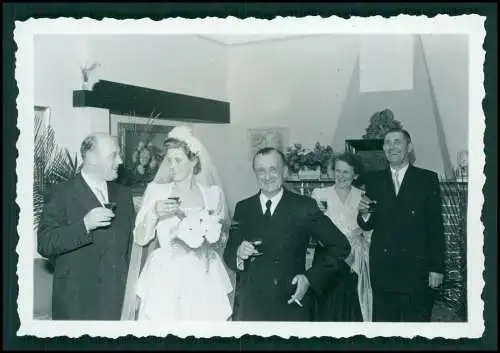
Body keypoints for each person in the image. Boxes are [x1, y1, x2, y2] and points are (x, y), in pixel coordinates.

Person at [223, 147, 351, 321]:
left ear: (284, 171)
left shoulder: (304, 206)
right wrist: (238, 253)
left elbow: (341, 246)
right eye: (261, 171)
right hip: (251, 307)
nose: (267, 177)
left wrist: (309, 279)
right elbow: (229, 254)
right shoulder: (243, 208)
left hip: (290, 303)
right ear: (255, 174)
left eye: (273, 170)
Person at [124, 125, 233, 320]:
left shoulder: (211, 195)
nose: (171, 166)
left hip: (204, 278)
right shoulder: (157, 192)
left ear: (194, 161)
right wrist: (154, 213)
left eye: (178, 160)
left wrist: (211, 239)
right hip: (167, 276)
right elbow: (140, 239)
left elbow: (222, 238)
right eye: (169, 160)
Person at [37, 133, 135, 320]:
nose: (120, 160)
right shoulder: (61, 193)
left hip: (117, 303)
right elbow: (45, 243)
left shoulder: (124, 195)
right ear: (92, 158)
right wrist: (84, 225)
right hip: (76, 305)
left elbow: (129, 248)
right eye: (114, 155)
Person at [357, 127, 445, 322]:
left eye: (397, 142)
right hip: (383, 272)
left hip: (417, 272)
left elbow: (436, 227)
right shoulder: (374, 180)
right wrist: (363, 213)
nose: (392, 147)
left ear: (409, 147)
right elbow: (367, 224)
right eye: (387, 143)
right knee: (385, 334)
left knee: (416, 332)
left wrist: (436, 268)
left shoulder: (427, 179)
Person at [310, 152, 372, 322]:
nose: (341, 176)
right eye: (338, 171)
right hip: (327, 257)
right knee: (327, 306)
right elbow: (313, 227)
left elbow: (367, 229)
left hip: (353, 258)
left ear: (355, 174)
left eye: (346, 172)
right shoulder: (320, 194)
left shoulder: (363, 196)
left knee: (351, 306)